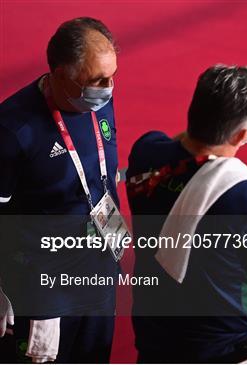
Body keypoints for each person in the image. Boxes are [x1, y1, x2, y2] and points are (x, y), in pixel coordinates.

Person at [126, 64, 247, 363]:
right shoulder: (243, 198)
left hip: (155, 338)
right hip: (224, 347)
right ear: (242, 135)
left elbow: (180, 146)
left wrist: (220, 104)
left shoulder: (144, 153)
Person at [0, 17, 121, 363]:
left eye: (112, 75)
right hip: (44, 294)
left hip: (98, 274)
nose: (109, 86)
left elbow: (100, 176)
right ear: (60, 73)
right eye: (97, 79)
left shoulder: (100, 100)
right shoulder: (12, 129)